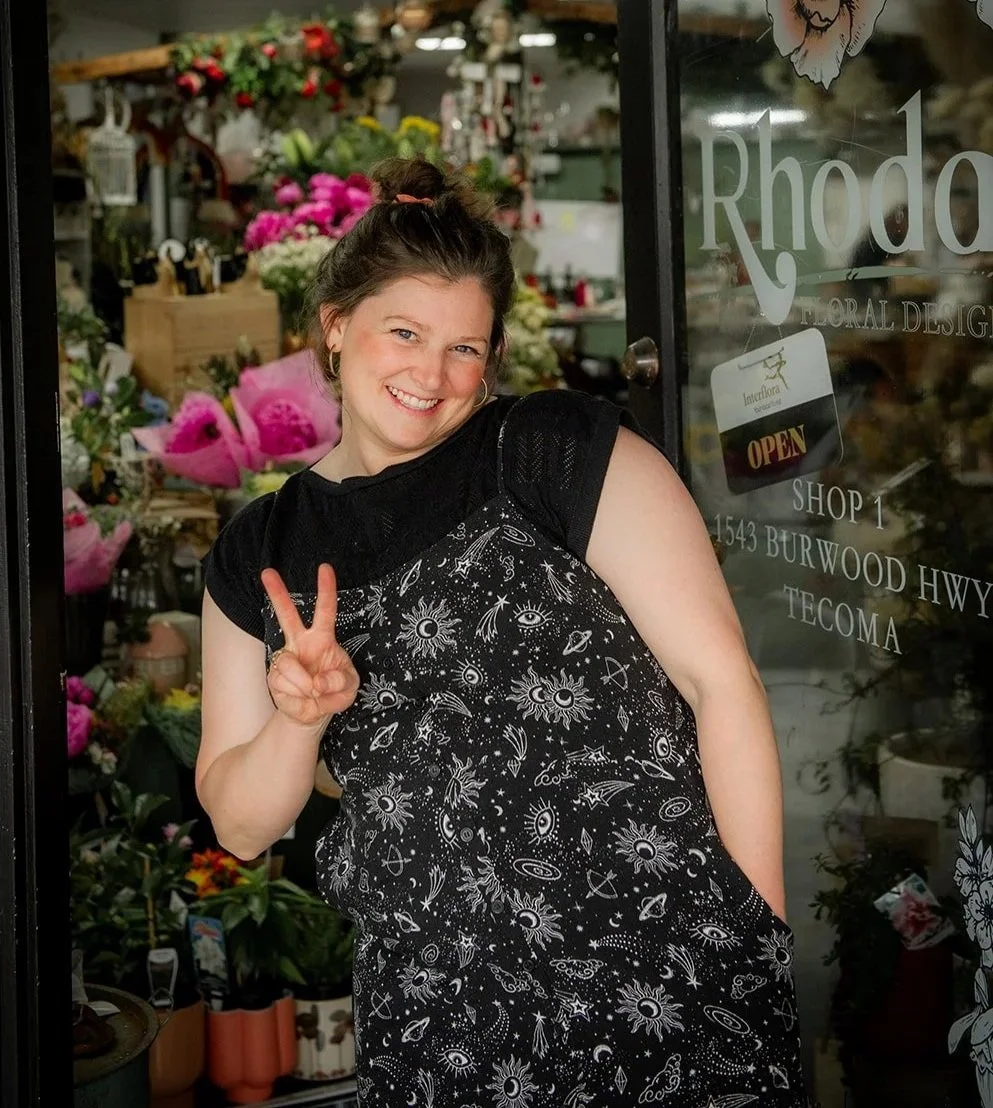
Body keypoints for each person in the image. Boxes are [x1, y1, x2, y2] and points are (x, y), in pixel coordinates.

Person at [197, 157, 805, 1106]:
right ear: (334, 326)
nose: (430, 375)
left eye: (465, 348)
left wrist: (755, 933)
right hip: (442, 1007)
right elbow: (239, 825)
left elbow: (719, 682)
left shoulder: (552, 450)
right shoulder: (258, 552)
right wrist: (300, 717)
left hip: (662, 967)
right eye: (403, 331)